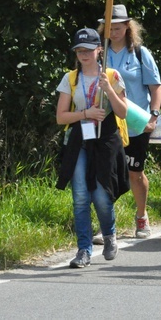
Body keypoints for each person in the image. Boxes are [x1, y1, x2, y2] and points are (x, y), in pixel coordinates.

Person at [56, 28, 129, 268]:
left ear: (99, 50)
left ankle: (109, 234)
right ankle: (83, 250)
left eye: (88, 50)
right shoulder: (70, 79)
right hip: (80, 142)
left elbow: (123, 112)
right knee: (80, 198)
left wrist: (108, 89)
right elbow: (61, 117)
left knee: (100, 195)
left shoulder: (112, 75)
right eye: (79, 50)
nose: (83, 54)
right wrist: (85, 113)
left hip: (105, 141)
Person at [98, 4, 161, 239]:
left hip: (136, 121)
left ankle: (141, 216)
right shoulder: (100, 53)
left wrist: (153, 116)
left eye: (118, 27)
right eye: (109, 27)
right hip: (106, 120)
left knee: (134, 172)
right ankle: (105, 223)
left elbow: (155, 87)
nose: (113, 31)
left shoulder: (139, 53)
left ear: (127, 27)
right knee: (105, 173)